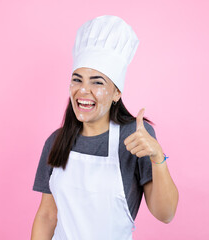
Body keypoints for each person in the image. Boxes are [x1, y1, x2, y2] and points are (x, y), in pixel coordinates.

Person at [31, 15, 179, 240]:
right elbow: (47, 215)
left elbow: (165, 214)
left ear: (116, 93)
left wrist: (157, 157)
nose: (83, 90)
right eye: (77, 80)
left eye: (97, 82)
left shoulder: (135, 137)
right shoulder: (56, 141)